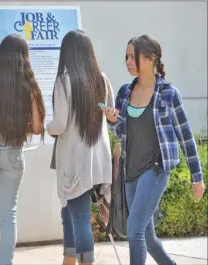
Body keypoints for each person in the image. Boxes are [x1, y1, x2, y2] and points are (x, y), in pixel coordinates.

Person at [103, 34, 205, 265]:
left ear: (150, 59)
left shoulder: (169, 94)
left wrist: (196, 178)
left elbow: (186, 137)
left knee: (135, 230)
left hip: (156, 169)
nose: (128, 61)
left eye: (133, 56)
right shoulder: (124, 93)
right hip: (131, 172)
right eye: (126, 57)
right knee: (147, 237)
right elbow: (123, 133)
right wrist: (112, 121)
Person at [0, 34, 45, 265]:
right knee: (8, 215)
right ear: (24, 57)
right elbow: (36, 128)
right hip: (13, 153)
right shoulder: (29, 88)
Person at [46, 30, 114, 265]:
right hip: (98, 160)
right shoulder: (101, 79)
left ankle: (85, 262)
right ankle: (69, 260)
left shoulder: (64, 80)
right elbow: (110, 114)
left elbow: (60, 125)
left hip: (76, 162)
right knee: (69, 214)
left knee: (80, 217)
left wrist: (48, 127)